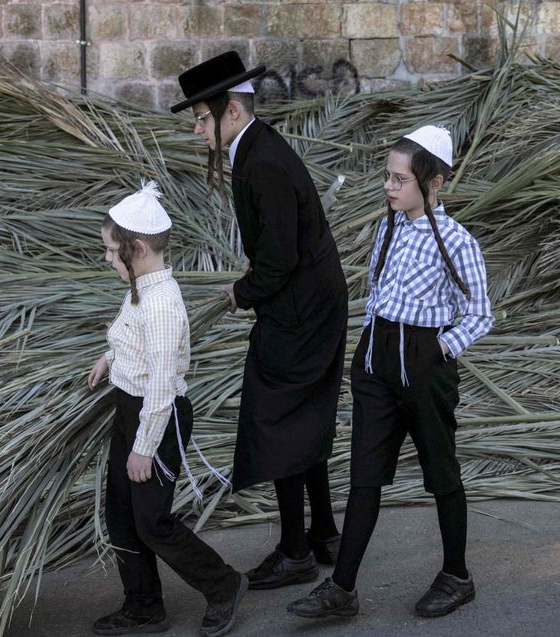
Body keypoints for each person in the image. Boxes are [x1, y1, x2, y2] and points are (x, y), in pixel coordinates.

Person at [288, 126, 494, 620]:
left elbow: (481, 313)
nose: (389, 186)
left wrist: (441, 348)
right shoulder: (389, 227)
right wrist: (367, 356)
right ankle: (341, 589)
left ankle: (457, 575)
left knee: (441, 471)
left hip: (425, 368)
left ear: (435, 182)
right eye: (387, 176)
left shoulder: (458, 242)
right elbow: (382, 294)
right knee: (365, 475)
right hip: (377, 363)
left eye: (400, 179)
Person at [170, 51, 349, 589]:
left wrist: (239, 293)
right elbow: (280, 243)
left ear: (231, 110)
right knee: (304, 417)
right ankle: (322, 534)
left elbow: (280, 260)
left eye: (203, 117)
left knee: (278, 422)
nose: (199, 128)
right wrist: (258, 277)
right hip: (309, 302)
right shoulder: (256, 150)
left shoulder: (262, 161)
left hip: (301, 310)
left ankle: (297, 550)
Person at [87, 181, 247, 637]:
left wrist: (144, 447)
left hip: (157, 416)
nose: (107, 258)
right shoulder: (141, 289)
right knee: (122, 514)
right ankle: (142, 606)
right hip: (130, 408)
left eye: (111, 251)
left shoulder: (161, 304)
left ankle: (223, 585)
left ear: (137, 249)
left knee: (152, 521)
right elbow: (133, 342)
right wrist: (109, 358)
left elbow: (160, 381)